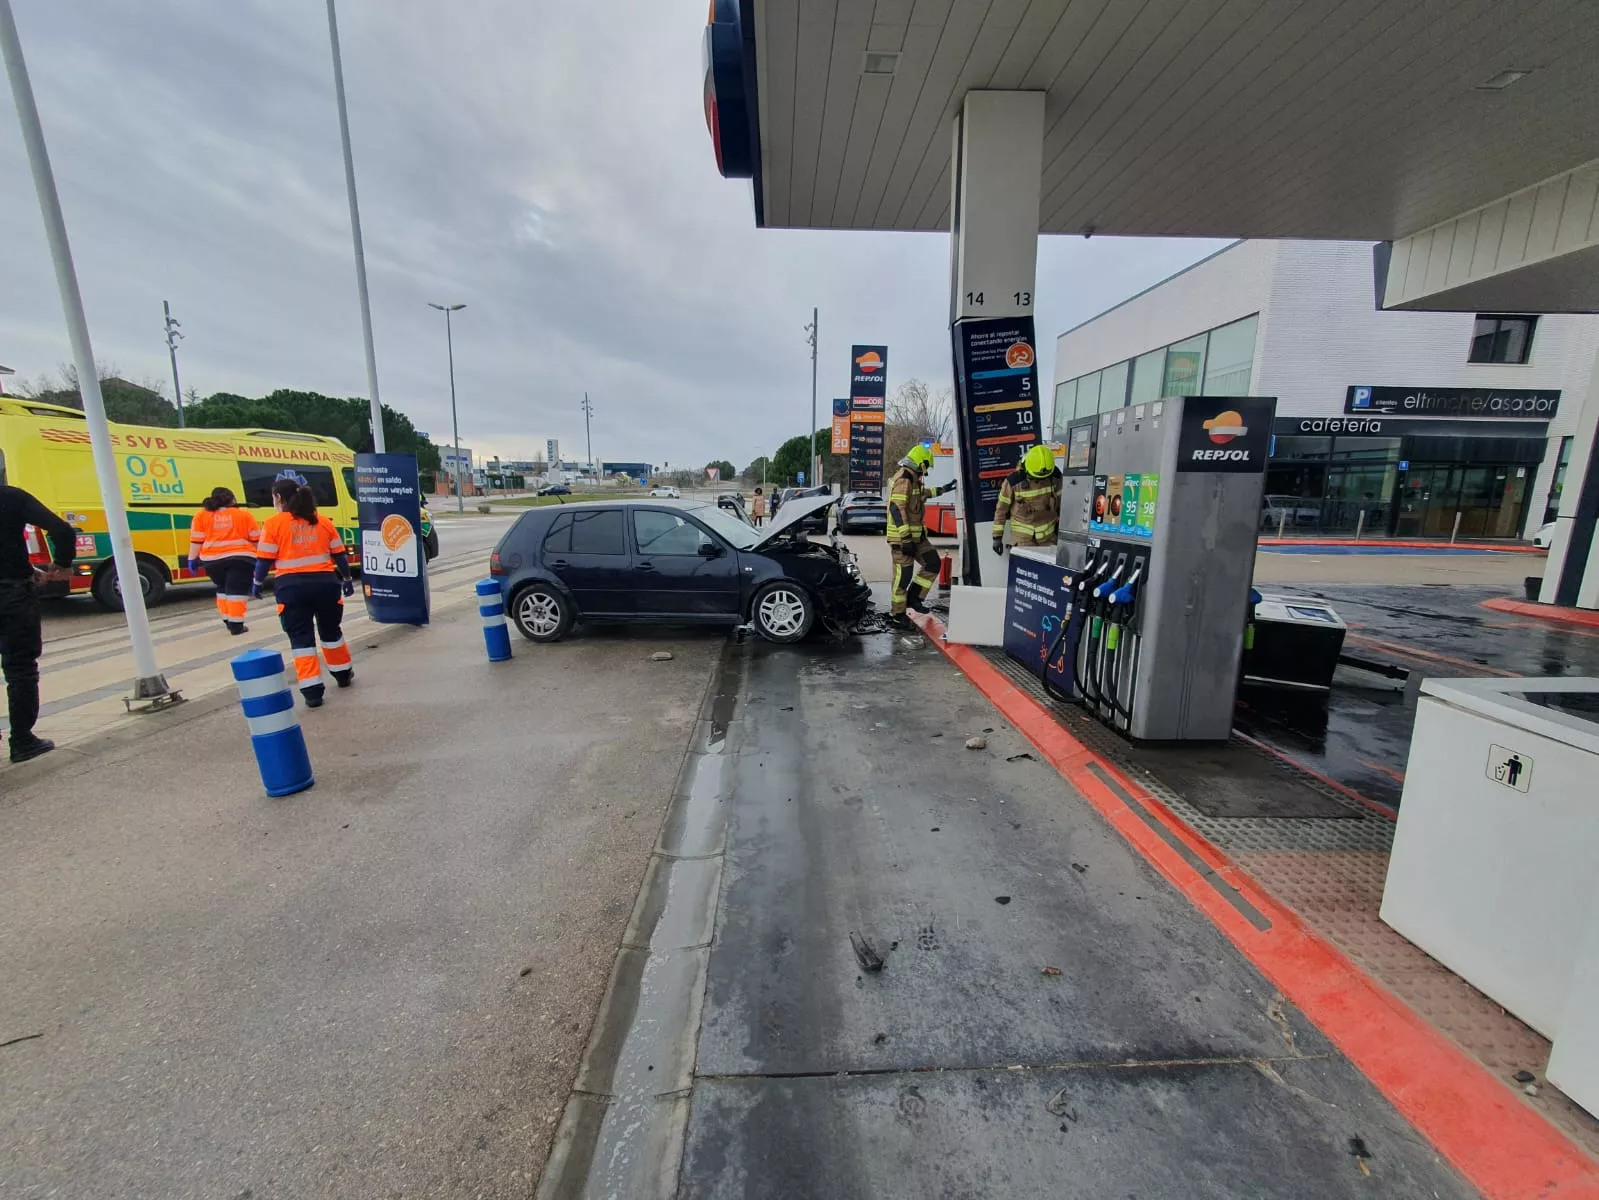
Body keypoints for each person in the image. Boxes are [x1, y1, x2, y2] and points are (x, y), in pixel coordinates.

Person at [255, 479, 354, 707]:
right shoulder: (322, 522)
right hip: (326, 585)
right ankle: (342, 674)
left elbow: (264, 560)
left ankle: (312, 691)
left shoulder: (273, 524)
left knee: (301, 639)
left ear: (278, 498)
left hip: (291, 589)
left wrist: (257, 582)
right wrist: (347, 579)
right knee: (331, 631)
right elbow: (339, 555)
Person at [0, 484, 75, 763]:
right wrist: (62, 562)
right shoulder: (11, 497)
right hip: (11, 595)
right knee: (20, 669)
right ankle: (22, 741)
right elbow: (62, 531)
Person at [886, 444, 955, 628]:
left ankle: (914, 598)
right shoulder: (904, 478)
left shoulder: (913, 479)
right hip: (903, 540)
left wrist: (945, 489)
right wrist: (906, 538)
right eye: (926, 467)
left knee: (933, 563)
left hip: (917, 538)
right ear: (921, 463)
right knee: (903, 577)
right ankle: (897, 615)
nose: (926, 472)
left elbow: (923, 494)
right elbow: (896, 508)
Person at [187, 486, 260, 635]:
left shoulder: (201, 515)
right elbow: (256, 539)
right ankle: (236, 625)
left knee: (222, 588)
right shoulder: (243, 515)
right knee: (237, 591)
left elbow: (196, 540)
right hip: (241, 559)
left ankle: (227, 618)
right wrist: (263, 558)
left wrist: (191, 559)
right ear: (232, 499)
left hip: (212, 561)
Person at [992, 443, 1063, 557]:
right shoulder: (1013, 481)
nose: (1040, 480)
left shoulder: (1055, 477)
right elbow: (1001, 510)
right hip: (1023, 541)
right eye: (1036, 477)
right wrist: (997, 537)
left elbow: (1063, 505)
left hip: (1048, 539)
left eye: (1044, 477)